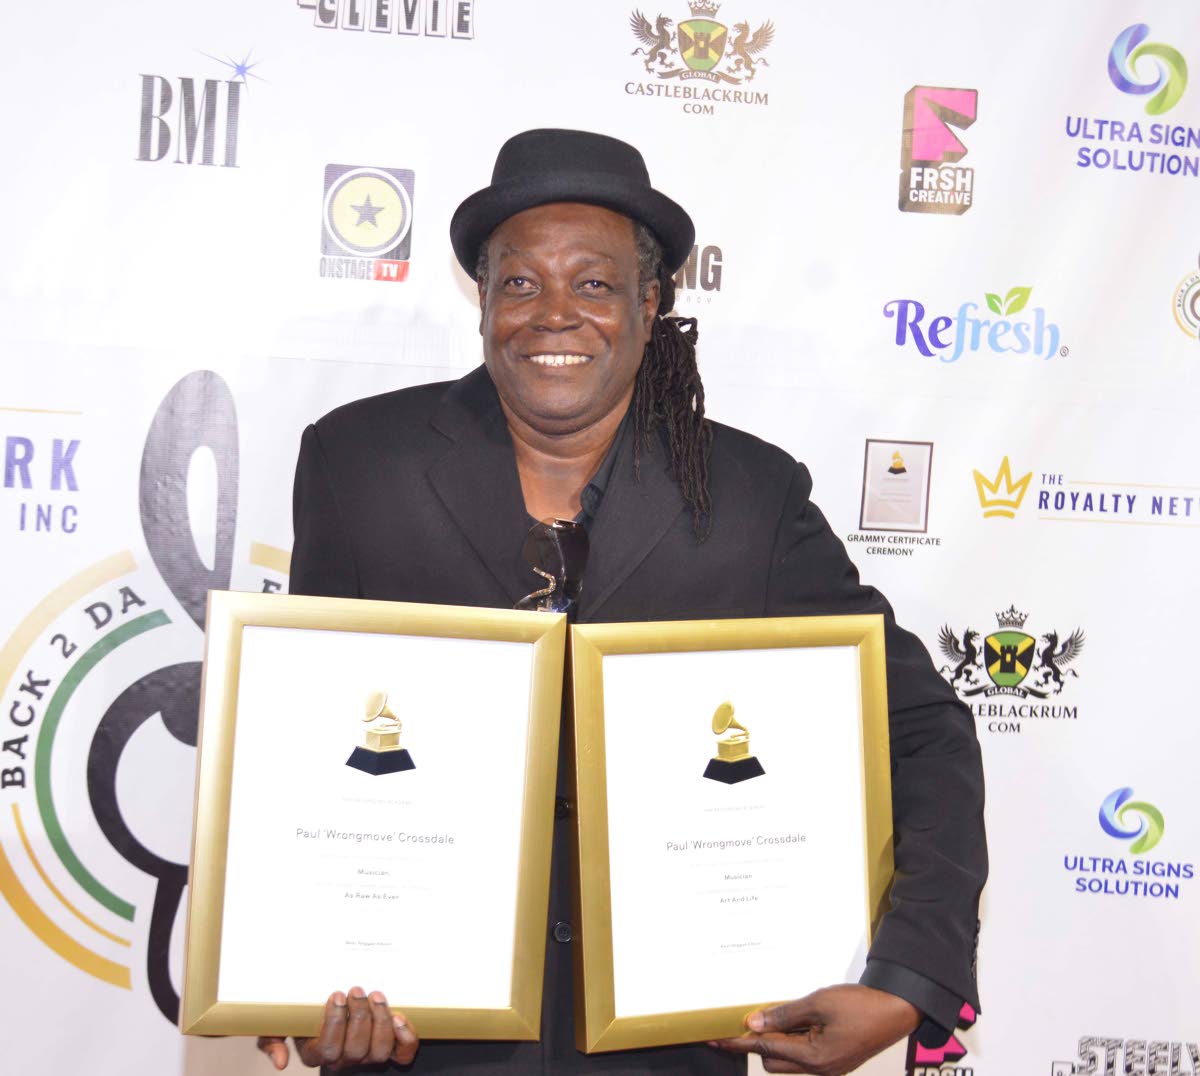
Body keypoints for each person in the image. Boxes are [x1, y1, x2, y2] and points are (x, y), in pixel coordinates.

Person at [259, 128, 987, 1075]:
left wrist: (906, 977)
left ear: (649, 306)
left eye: (594, 284)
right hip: (420, 1043)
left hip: (664, 1049)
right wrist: (285, 969)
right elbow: (303, 742)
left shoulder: (749, 497)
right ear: (483, 301)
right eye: (521, 283)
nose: (554, 314)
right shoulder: (361, 463)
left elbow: (921, 730)